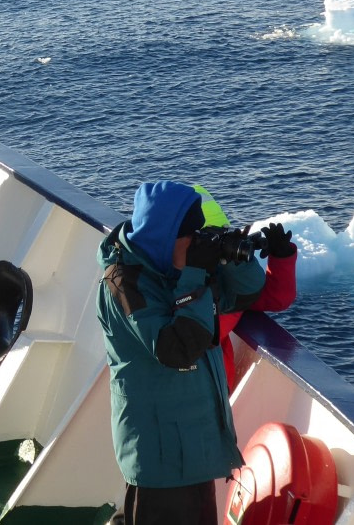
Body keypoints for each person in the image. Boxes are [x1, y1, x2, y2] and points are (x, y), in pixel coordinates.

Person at [96, 180, 266, 525]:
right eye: (191, 235)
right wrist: (194, 274)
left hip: (194, 446)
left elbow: (247, 293)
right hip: (162, 456)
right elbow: (176, 349)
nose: (196, 242)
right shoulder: (124, 284)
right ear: (165, 237)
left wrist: (230, 254)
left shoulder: (173, 268)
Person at [194, 185, 298, 392]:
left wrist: (281, 258)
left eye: (222, 236)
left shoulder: (224, 278)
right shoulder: (167, 284)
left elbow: (275, 299)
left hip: (217, 393)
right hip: (193, 392)